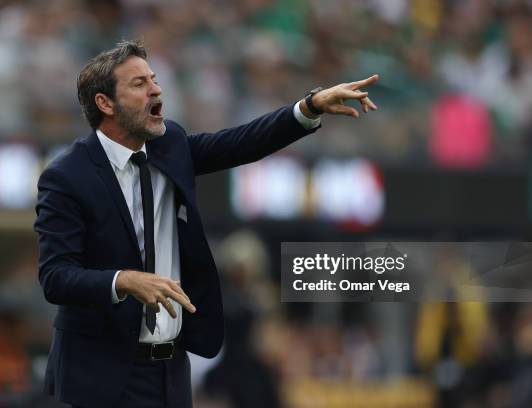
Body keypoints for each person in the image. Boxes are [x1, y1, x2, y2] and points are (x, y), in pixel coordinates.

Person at [34, 39, 379, 408]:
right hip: (102, 373)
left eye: (153, 78)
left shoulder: (170, 145)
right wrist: (124, 280)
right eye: (139, 83)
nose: (156, 88)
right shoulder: (67, 176)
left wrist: (308, 108)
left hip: (170, 373)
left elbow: (239, 143)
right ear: (105, 103)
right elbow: (55, 277)